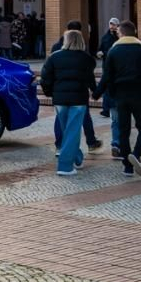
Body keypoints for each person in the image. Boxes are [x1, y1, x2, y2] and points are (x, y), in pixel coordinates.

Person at [97, 20, 141, 177]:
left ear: (120, 33)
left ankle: (127, 167)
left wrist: (99, 92)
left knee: (123, 131)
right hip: (139, 94)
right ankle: (136, 154)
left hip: (121, 95)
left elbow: (107, 76)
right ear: (134, 32)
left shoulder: (113, 52)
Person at [41, 30, 98, 176]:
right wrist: (95, 92)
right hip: (79, 99)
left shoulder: (54, 57)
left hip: (60, 99)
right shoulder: (86, 59)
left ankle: (77, 157)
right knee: (72, 131)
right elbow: (89, 79)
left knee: (68, 130)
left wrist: (49, 92)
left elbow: (45, 78)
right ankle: (65, 166)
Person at [97, 17, 121, 121]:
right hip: (106, 65)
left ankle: (115, 107)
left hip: (116, 66)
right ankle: (106, 109)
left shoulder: (119, 37)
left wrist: (105, 53)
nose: (111, 26)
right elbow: (100, 48)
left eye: (114, 24)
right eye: (110, 24)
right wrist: (98, 53)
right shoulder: (105, 37)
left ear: (117, 26)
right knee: (106, 88)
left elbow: (116, 51)